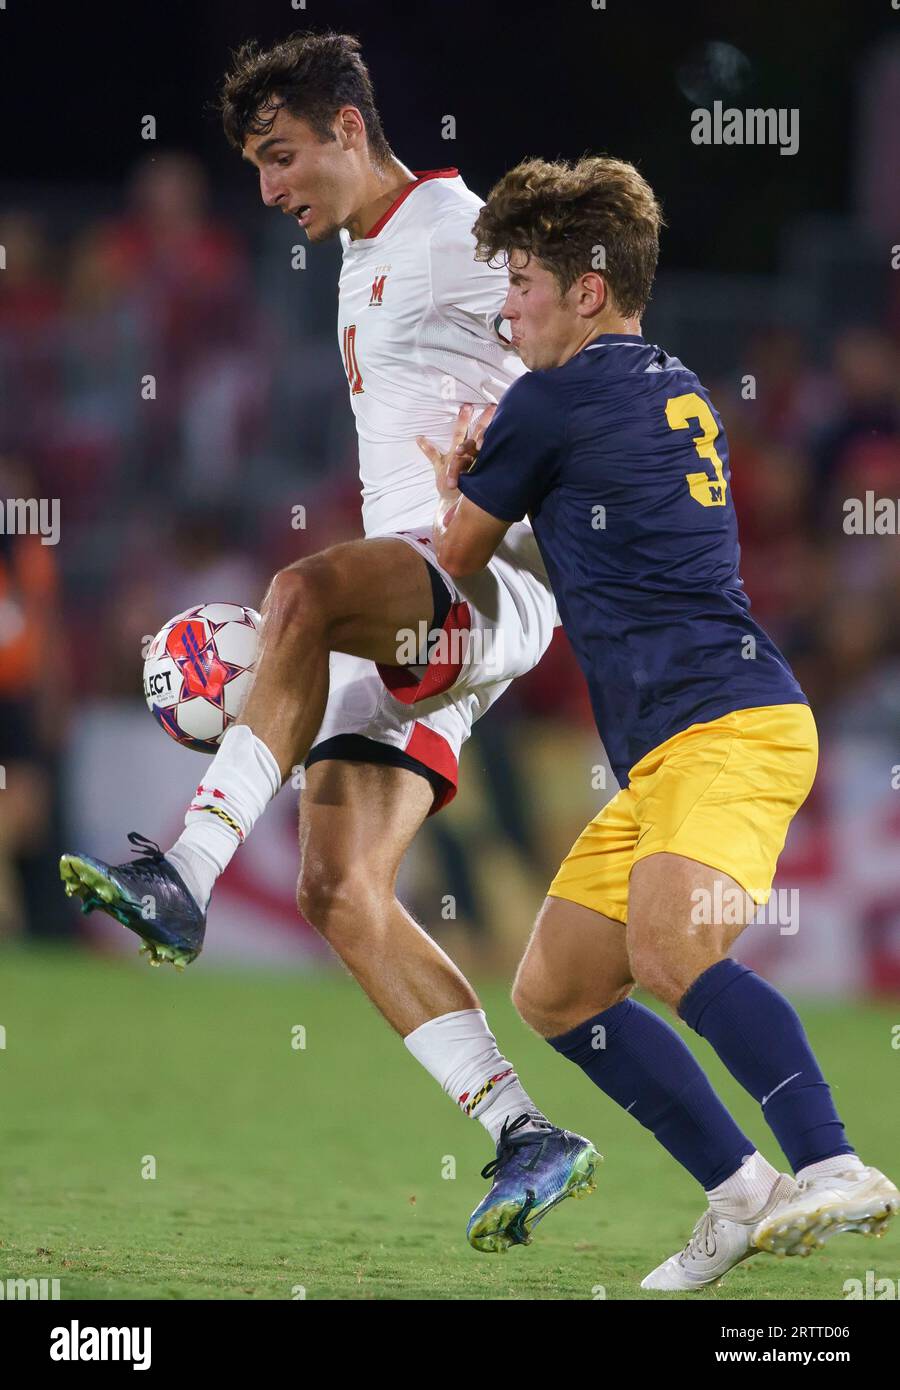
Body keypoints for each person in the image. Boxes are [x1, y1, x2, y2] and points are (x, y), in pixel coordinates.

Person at [59, 31, 599, 1254]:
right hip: (424, 609)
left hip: (476, 580)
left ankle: (182, 875)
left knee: (297, 596)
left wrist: (519, 453)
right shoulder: (359, 255)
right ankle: (527, 1132)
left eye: (282, 156)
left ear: (351, 130)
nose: (269, 188)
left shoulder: (460, 227)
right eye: (254, 164)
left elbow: (585, 334)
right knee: (337, 888)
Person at [416, 154, 898, 1289]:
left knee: (675, 951)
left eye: (525, 279)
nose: (508, 305)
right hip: (680, 744)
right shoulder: (668, 382)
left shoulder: (552, 397)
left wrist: (458, 480)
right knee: (556, 989)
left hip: (725, 729)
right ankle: (739, 1189)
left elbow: (453, 568)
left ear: (589, 288)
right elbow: (599, 540)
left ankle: (836, 1160)